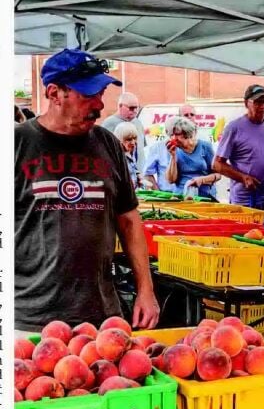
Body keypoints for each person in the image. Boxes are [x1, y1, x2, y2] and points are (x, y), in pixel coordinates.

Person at [15, 48, 159, 331]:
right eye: (88, 95)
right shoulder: (17, 144)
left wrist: (146, 290)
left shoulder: (108, 144)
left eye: (101, 93)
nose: (99, 105)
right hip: (29, 319)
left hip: (101, 316)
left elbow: (129, 221)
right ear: (54, 93)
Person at [213, 84, 264, 223]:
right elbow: (217, 164)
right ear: (246, 103)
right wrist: (243, 178)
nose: (262, 107)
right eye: (258, 102)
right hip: (245, 201)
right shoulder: (234, 128)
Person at [165, 116, 220, 198]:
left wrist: (201, 180)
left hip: (204, 197)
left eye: (177, 134)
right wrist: (173, 156)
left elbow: (218, 175)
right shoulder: (173, 149)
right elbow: (171, 180)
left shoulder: (205, 147)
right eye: (172, 135)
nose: (173, 138)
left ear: (187, 134)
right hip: (181, 196)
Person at [101, 91, 146, 169]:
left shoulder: (138, 122)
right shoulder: (109, 124)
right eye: (131, 108)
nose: (135, 111)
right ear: (120, 106)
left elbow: (142, 147)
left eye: (137, 107)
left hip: (139, 172)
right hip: (121, 172)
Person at [114, 121, 142, 189]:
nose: (133, 142)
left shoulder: (133, 150)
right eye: (129, 139)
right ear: (119, 140)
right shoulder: (115, 156)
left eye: (134, 138)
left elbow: (133, 167)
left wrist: (138, 175)